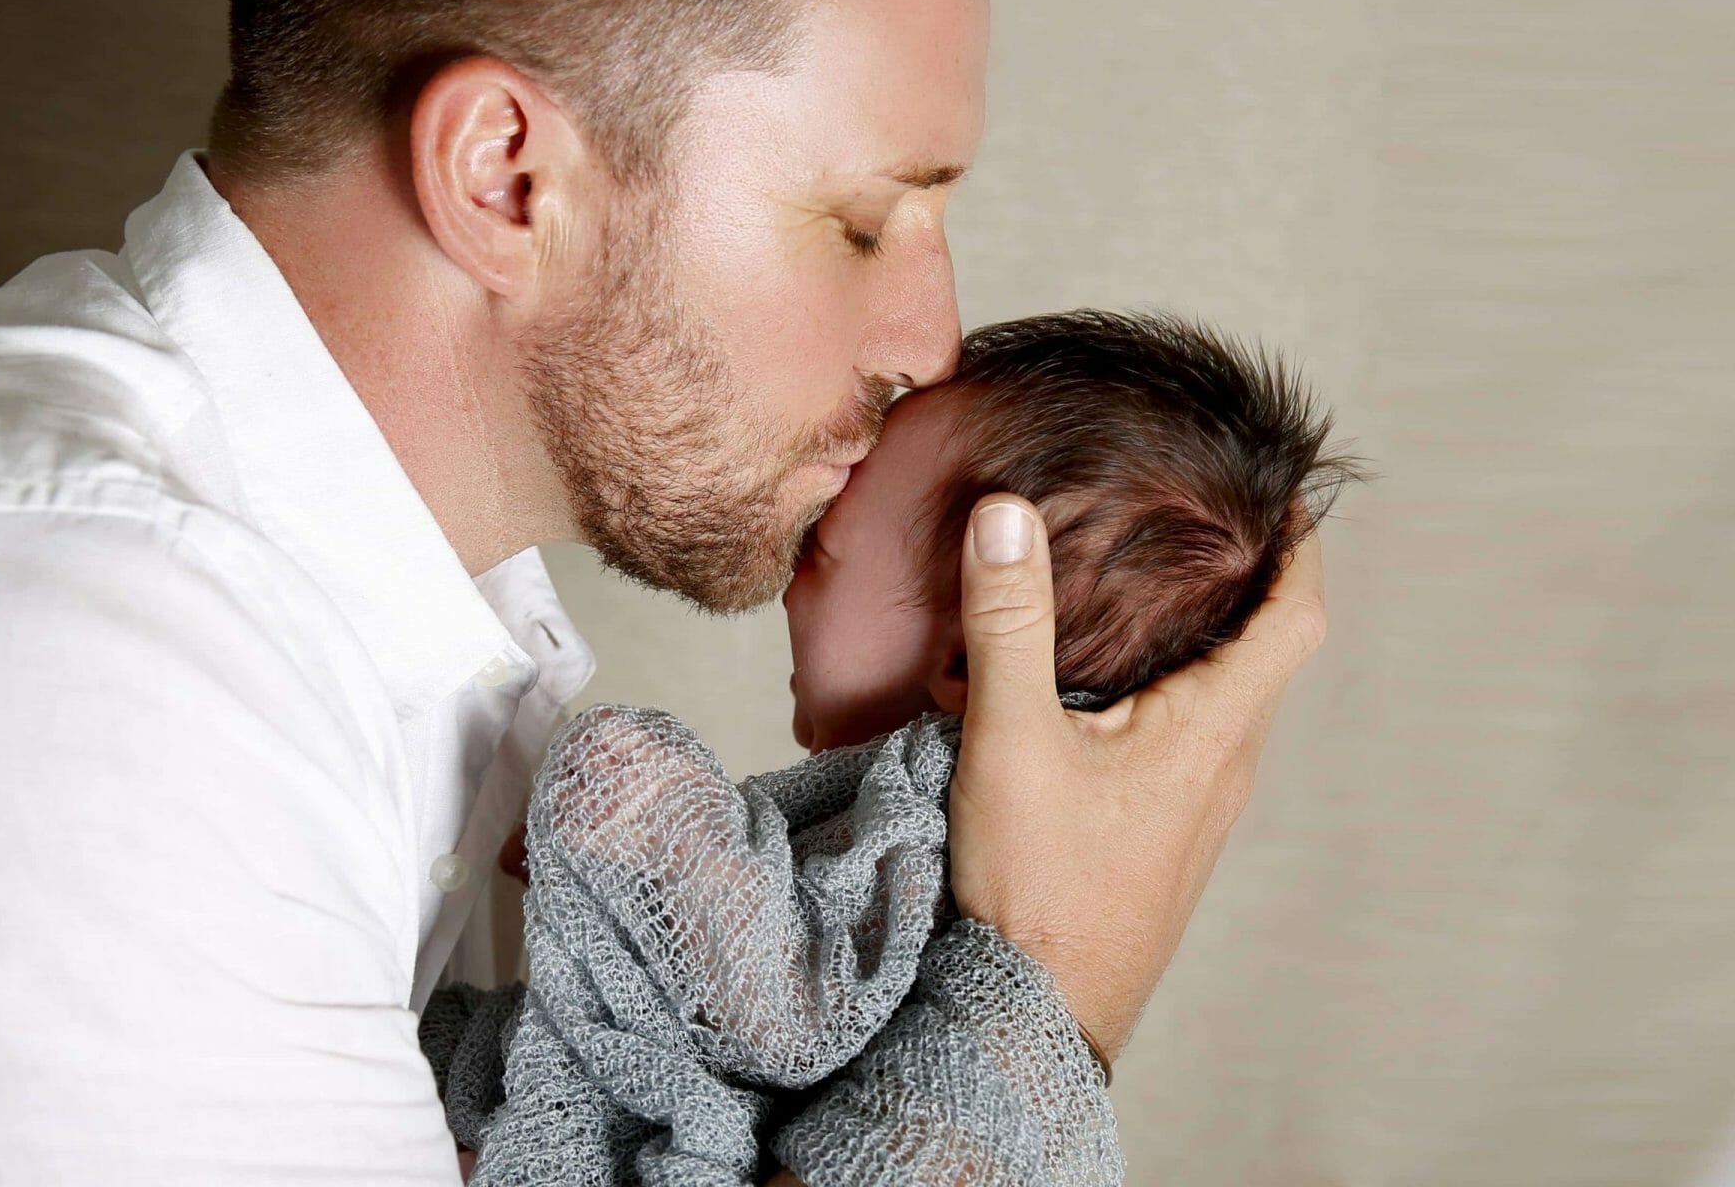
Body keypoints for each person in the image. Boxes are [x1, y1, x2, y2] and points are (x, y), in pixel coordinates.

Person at [0, 0, 1327, 1184]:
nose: (931, 345)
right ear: (506, 179)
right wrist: (1051, 988)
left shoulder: (376, 617)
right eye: (867, 222)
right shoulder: (73, 684)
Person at [420, 309, 1356, 1185]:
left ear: (969, 656)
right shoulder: (955, 828)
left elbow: (789, 1011)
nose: (789, 588)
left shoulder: (929, 820)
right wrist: (633, 894)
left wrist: (634, 803)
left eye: (817, 551)